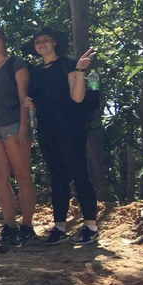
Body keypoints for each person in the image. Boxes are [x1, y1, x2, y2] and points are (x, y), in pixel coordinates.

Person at [24, 27, 99, 245]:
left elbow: (77, 98)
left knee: (79, 172)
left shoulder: (69, 64)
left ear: (55, 42)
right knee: (56, 176)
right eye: (37, 41)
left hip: (72, 128)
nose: (41, 44)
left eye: (45, 40)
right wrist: (30, 103)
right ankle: (59, 227)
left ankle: (91, 226)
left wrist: (79, 71)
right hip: (47, 130)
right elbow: (34, 101)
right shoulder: (36, 73)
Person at [0, 26, 36, 246]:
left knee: (22, 176)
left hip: (14, 126)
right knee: (0, 178)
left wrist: (23, 129)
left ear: (3, 41)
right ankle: (9, 226)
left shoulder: (16, 64)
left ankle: (27, 226)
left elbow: (24, 97)